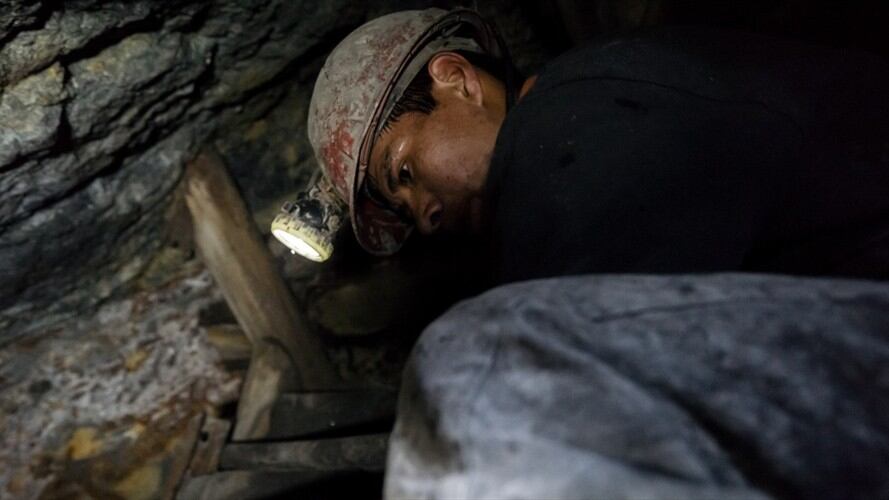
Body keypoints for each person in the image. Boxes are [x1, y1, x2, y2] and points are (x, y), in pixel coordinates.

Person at [306, 8, 889, 285]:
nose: (423, 214)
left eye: (404, 170)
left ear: (456, 80)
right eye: (406, 209)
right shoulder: (592, 96)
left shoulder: (572, 129)